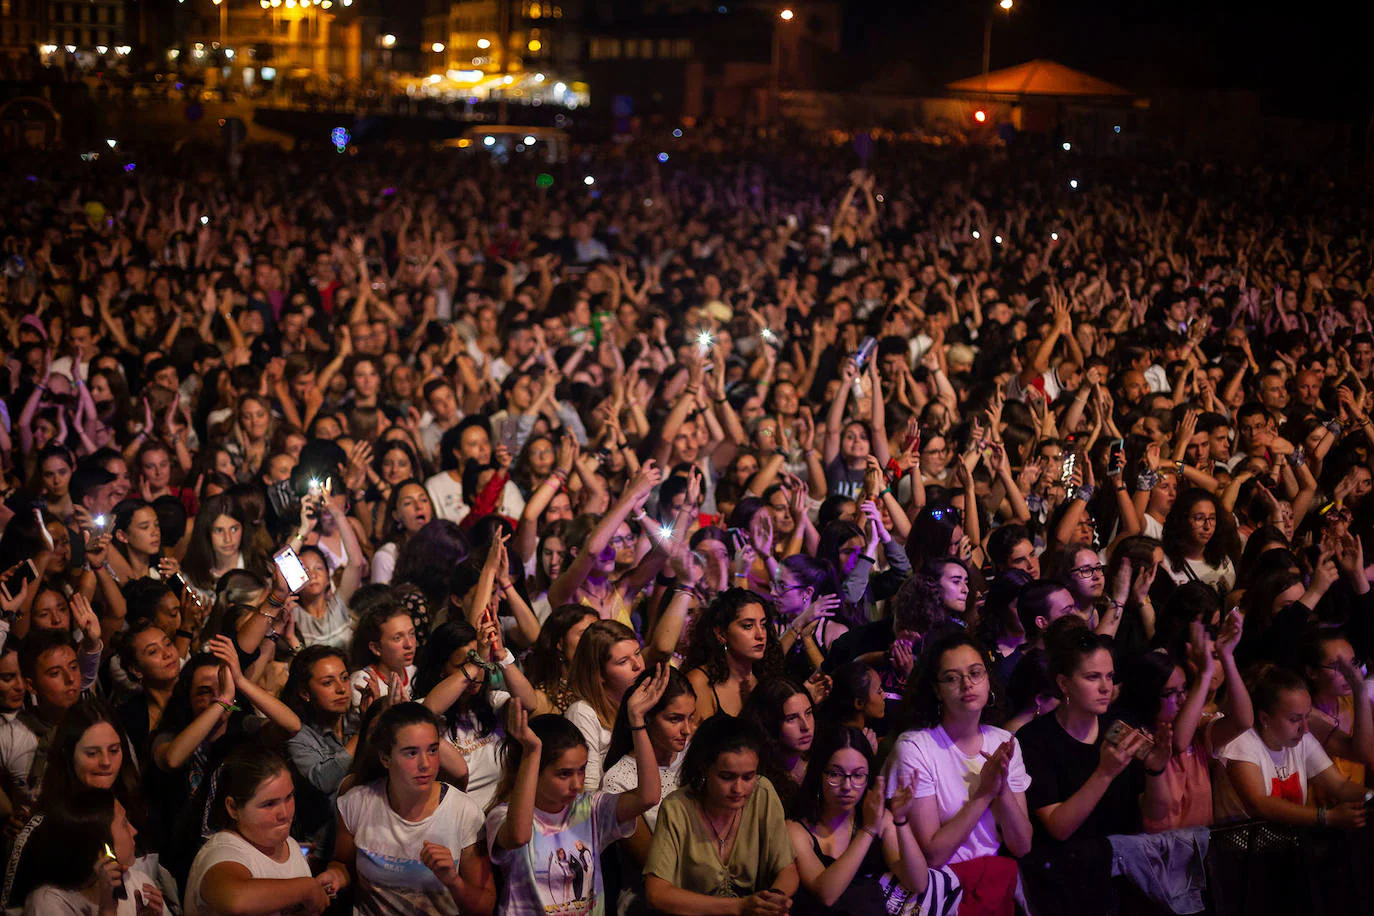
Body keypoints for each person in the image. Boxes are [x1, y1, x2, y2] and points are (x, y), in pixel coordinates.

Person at [486, 669, 668, 916]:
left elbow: (648, 796)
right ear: (532, 773)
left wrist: (636, 720)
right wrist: (531, 752)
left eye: (581, 770)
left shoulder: (589, 808)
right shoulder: (503, 815)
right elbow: (519, 836)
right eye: (564, 774)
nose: (577, 783)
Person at [885, 632, 1031, 915]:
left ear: (988, 679)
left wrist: (1001, 791)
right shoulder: (916, 747)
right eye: (952, 678)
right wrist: (984, 794)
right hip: (942, 891)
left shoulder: (1003, 741)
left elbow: (1023, 844)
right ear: (937, 690)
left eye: (976, 673)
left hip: (994, 885)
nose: (967, 684)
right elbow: (933, 855)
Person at [326, 702, 496, 915]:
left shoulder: (464, 811)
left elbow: (486, 906)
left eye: (432, 750)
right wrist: (334, 876)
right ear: (385, 758)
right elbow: (343, 864)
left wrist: (453, 881)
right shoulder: (357, 803)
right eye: (411, 753)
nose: (425, 763)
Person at [788, 726, 960, 916]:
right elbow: (827, 894)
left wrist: (900, 820)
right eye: (835, 774)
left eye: (858, 775)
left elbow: (918, 882)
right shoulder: (796, 830)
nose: (847, 786)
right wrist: (868, 830)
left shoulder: (880, 819)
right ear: (819, 774)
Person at [644, 715, 799, 913]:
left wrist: (772, 900)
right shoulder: (678, 807)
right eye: (727, 777)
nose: (738, 788)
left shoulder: (763, 793)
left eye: (748, 777)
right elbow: (657, 892)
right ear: (705, 769)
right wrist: (740, 907)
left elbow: (787, 869)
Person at [1214, 664, 1372, 828]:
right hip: (1241, 850)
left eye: (1307, 717)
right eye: (1295, 719)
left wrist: (1370, 796)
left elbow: (1339, 786)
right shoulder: (1242, 741)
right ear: (1264, 718)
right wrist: (1327, 817)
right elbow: (1259, 803)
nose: (1305, 729)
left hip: (1286, 845)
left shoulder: (1300, 739)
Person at [183, 744, 329, 916]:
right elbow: (235, 899)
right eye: (269, 804)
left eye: (289, 797)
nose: (284, 813)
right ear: (233, 808)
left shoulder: (290, 845)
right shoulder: (222, 852)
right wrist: (306, 888)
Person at [20, 788, 170, 916]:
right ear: (100, 845)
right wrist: (107, 909)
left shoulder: (138, 883)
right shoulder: (48, 903)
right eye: (124, 823)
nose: (134, 831)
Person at [564, 619, 645, 790]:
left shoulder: (645, 701)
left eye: (637, 653)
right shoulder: (582, 713)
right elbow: (587, 790)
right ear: (599, 673)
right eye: (623, 662)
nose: (638, 665)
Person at [684, 588, 786, 722]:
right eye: (748, 626)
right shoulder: (700, 681)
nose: (760, 635)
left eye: (763, 625)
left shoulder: (765, 676)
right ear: (721, 634)